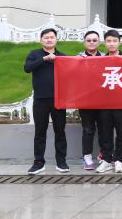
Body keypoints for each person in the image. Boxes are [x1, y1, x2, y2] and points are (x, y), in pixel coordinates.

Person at [24, 28, 68, 175]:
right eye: (46, 37)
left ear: (56, 39)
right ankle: (38, 162)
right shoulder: (34, 54)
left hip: (58, 100)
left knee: (60, 131)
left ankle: (61, 162)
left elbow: (71, 72)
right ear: (41, 40)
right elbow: (27, 68)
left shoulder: (62, 56)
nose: (49, 40)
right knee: (40, 132)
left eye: (52, 37)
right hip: (40, 99)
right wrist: (44, 59)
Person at [96, 30, 122, 173]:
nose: (112, 44)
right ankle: (107, 160)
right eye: (109, 41)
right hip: (104, 101)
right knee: (105, 131)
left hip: (121, 101)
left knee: (121, 131)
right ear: (104, 43)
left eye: (114, 41)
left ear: (119, 42)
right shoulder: (99, 60)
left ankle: (119, 159)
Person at [78, 30, 105, 171]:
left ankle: (103, 155)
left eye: (94, 40)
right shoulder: (78, 58)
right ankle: (87, 156)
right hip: (85, 100)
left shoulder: (105, 57)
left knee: (104, 128)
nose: (92, 42)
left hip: (102, 99)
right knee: (88, 129)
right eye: (89, 40)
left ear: (99, 42)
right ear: (84, 42)